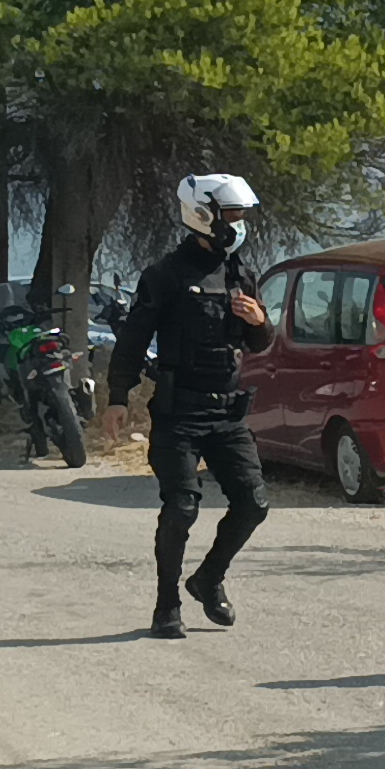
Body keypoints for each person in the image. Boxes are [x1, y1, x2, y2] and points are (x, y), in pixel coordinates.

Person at [103, 174, 274, 640]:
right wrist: (118, 398)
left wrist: (260, 322)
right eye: (232, 215)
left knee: (253, 504)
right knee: (181, 507)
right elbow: (134, 338)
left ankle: (208, 579)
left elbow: (260, 341)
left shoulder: (241, 271)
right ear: (203, 214)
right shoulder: (166, 275)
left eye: (242, 216)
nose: (239, 225)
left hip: (228, 413)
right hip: (180, 412)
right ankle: (166, 605)